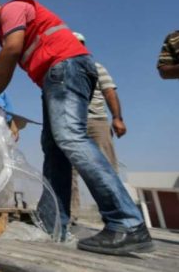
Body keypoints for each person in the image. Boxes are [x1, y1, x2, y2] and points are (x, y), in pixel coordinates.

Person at [0, 0, 152, 255]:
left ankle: (126, 223)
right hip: (55, 77)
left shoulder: (13, 9)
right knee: (54, 150)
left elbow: (12, 50)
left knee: (70, 137)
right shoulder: (5, 34)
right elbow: (5, 71)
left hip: (64, 68)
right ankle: (54, 224)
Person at [70, 32, 125, 221]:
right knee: (69, 169)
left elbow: (110, 92)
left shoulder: (97, 67)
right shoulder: (63, 69)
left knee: (107, 167)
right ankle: (71, 215)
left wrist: (117, 118)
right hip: (71, 123)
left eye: (79, 44)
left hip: (96, 122)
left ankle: (118, 215)